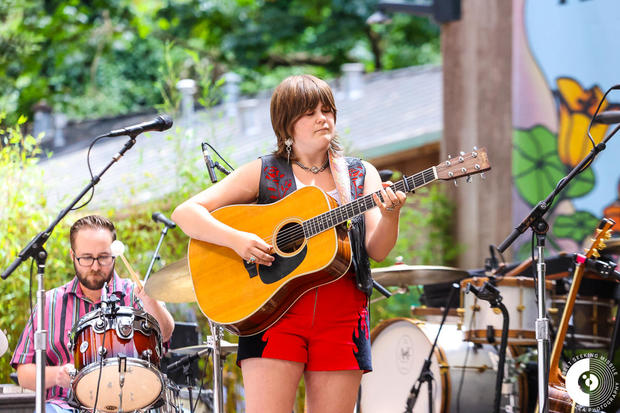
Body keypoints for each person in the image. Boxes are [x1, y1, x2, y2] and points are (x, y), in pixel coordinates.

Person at [172, 74, 406, 413]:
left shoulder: (358, 174)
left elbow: (378, 250)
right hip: (273, 313)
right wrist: (237, 240)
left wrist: (391, 216)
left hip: (342, 316)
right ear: (287, 124)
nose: (323, 118)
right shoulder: (264, 172)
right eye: (310, 112)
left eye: (328, 110)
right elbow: (186, 212)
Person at [11, 215, 175, 413]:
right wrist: (57, 375)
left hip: (133, 404)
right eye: (87, 258)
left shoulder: (135, 293)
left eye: (103, 257)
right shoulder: (49, 303)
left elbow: (165, 333)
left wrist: (151, 300)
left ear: (114, 254)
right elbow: (24, 373)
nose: (96, 266)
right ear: (73, 256)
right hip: (65, 406)